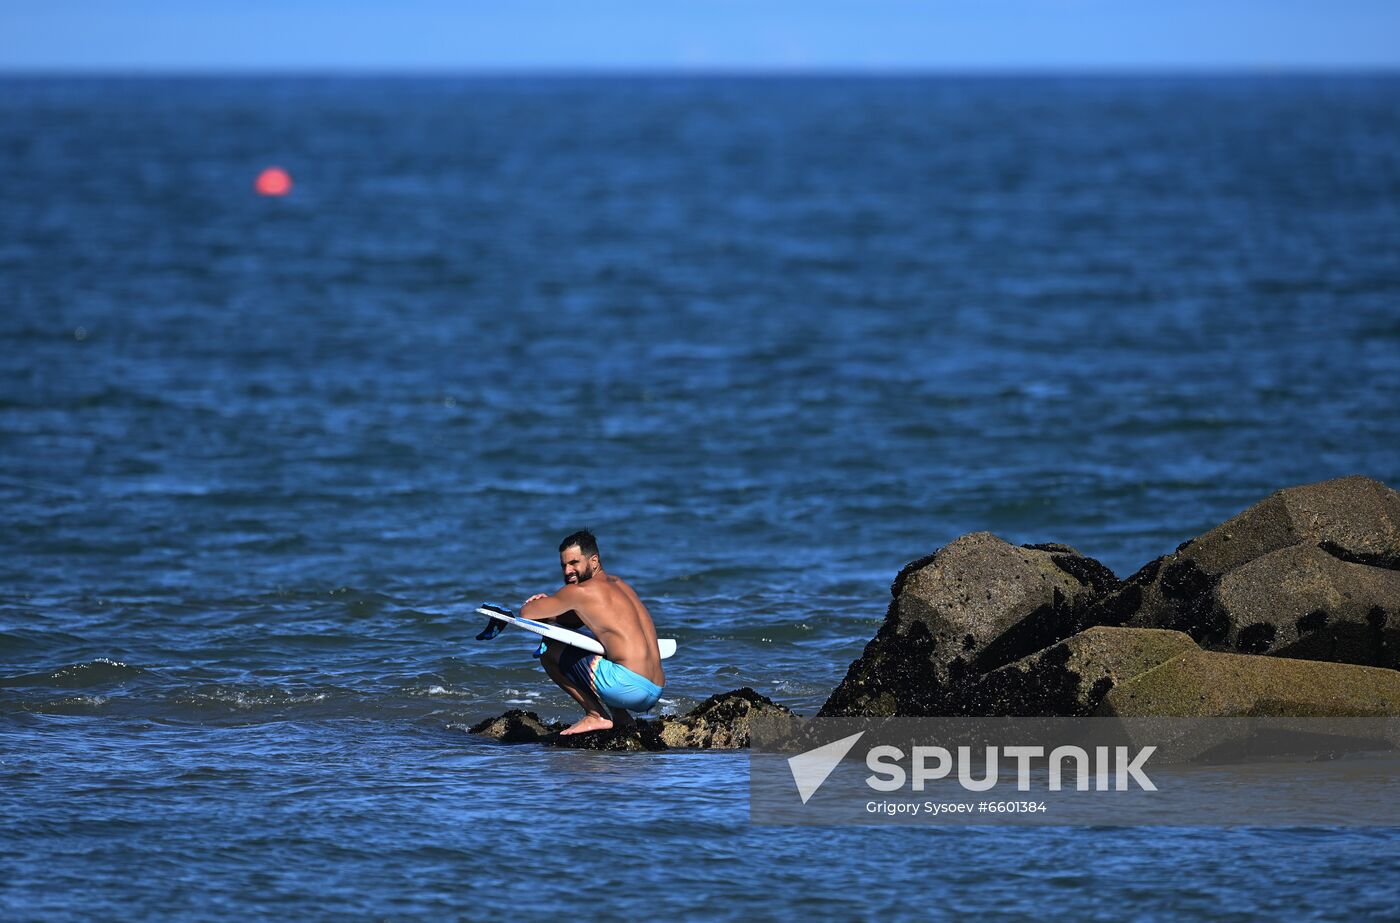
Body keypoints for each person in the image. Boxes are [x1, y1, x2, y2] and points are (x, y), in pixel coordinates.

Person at [521, 530, 665, 735]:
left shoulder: (579, 592)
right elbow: (575, 620)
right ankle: (622, 718)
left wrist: (543, 603)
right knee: (604, 647)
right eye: (563, 565)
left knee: (549, 648)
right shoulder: (620, 584)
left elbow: (526, 614)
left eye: (574, 563)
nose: (567, 571)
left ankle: (595, 715)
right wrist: (554, 610)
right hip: (655, 688)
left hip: (628, 688)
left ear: (594, 560)